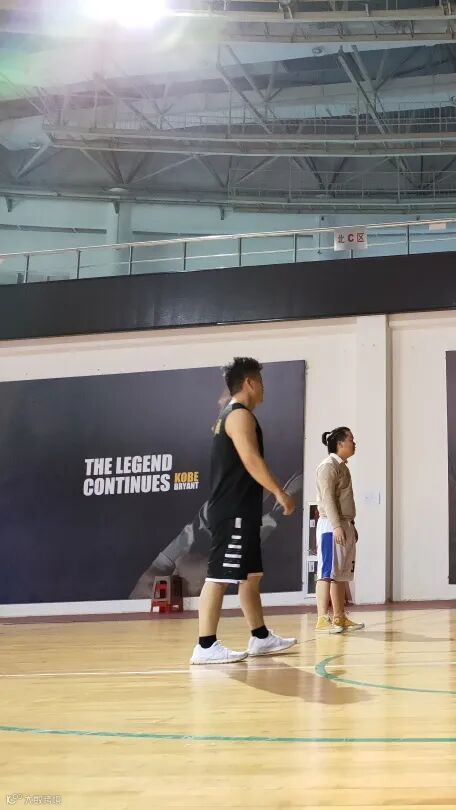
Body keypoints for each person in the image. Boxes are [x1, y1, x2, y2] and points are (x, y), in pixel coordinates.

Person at [190, 357, 298, 664]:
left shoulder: (235, 415)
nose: (264, 388)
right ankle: (205, 646)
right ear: (249, 383)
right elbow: (251, 459)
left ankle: (260, 637)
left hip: (243, 511)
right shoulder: (238, 415)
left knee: (250, 576)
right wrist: (279, 492)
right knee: (219, 576)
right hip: (232, 510)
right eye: (260, 382)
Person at [315, 427, 364, 634]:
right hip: (330, 526)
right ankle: (321, 618)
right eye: (351, 439)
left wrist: (351, 526)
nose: (354, 443)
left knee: (340, 573)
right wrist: (336, 526)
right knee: (326, 572)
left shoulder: (342, 467)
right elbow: (328, 500)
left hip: (344, 524)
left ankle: (339, 617)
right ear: (340, 443)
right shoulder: (327, 466)